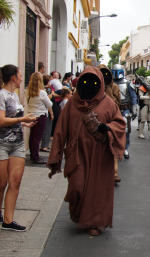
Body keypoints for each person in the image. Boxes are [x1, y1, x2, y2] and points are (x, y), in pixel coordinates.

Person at [47, 67, 126, 236]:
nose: (89, 85)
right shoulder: (72, 104)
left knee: (98, 190)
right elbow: (60, 129)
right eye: (85, 81)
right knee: (76, 187)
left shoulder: (108, 103)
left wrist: (108, 127)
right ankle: (78, 212)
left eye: (93, 82)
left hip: (100, 156)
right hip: (77, 154)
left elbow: (120, 124)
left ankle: (95, 223)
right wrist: (56, 154)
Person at [0, 64, 37, 231]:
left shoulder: (13, 95)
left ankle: (8, 220)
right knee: (1, 182)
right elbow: (1, 121)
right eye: (20, 75)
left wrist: (25, 124)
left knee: (15, 181)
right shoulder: (0, 95)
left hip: (17, 143)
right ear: (13, 77)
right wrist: (21, 120)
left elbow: (13, 121)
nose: (22, 78)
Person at [97, 64, 122, 183]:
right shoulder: (95, 86)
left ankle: (114, 173)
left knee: (112, 146)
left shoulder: (114, 87)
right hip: (96, 120)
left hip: (110, 121)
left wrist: (108, 91)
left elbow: (117, 104)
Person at [25, 72, 53, 164]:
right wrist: (49, 97)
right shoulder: (42, 92)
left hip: (31, 115)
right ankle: (36, 156)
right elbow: (49, 104)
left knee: (32, 136)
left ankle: (33, 154)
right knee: (37, 137)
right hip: (40, 115)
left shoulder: (28, 90)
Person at [112, 64, 137, 159]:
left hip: (124, 109)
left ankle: (125, 148)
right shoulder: (109, 83)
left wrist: (134, 110)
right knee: (112, 129)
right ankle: (114, 147)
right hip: (113, 109)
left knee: (126, 130)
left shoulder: (127, 83)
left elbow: (133, 97)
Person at [40, 75, 53, 153]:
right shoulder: (47, 90)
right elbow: (48, 104)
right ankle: (45, 145)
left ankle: (46, 144)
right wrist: (51, 113)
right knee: (47, 129)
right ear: (48, 82)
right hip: (47, 111)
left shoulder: (42, 90)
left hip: (44, 111)